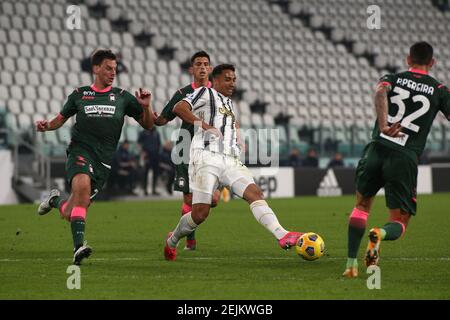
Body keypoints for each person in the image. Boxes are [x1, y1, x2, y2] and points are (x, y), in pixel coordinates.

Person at [163, 64, 305, 261]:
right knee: (200, 214)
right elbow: (179, 107)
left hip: (230, 159)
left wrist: (237, 137)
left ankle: (282, 234)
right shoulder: (205, 92)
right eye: (228, 79)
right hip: (206, 156)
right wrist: (204, 126)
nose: (232, 83)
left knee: (255, 193)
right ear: (217, 80)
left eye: (234, 80)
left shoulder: (228, 104)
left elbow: (228, 125)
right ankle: (172, 240)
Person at [36, 49, 154, 265]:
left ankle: (55, 200)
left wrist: (146, 108)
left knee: (71, 211)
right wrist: (46, 126)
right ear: (96, 68)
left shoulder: (123, 97)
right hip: (80, 151)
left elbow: (148, 125)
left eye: (115, 69)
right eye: (108, 68)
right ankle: (78, 248)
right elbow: (60, 119)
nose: (113, 73)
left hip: (104, 161)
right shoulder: (79, 94)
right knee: (81, 190)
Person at [343, 42, 450, 278]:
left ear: (407, 59)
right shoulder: (440, 89)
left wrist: (383, 125)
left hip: (376, 148)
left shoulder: (392, 78)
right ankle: (379, 234)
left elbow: (380, 91)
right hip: (405, 157)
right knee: (400, 221)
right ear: (432, 63)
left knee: (361, 207)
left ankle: (351, 265)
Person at [154, 51, 221, 250]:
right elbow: (162, 119)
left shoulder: (217, 93)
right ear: (191, 69)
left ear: (210, 69)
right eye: (198, 64)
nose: (202, 67)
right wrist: (148, 109)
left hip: (210, 151)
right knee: (190, 198)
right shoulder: (183, 93)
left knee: (214, 199)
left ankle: (185, 231)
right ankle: (190, 240)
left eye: (206, 64)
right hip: (186, 148)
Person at [138, 127, 161, 195]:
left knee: (155, 173)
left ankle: (154, 189)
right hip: (147, 156)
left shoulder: (156, 133)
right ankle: (145, 190)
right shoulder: (143, 132)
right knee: (145, 173)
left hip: (155, 156)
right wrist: (142, 152)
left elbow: (159, 144)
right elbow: (139, 143)